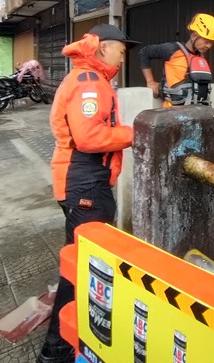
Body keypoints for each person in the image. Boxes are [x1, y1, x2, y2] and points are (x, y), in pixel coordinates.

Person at [38, 24, 139, 363]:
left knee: (83, 260)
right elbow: (89, 137)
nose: (124, 56)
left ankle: (72, 338)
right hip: (84, 181)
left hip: (82, 179)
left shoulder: (90, 79)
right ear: (102, 48)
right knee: (83, 265)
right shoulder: (90, 85)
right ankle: (57, 348)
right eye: (120, 49)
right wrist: (133, 133)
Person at [139, 13, 214, 106]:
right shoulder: (171, 49)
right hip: (172, 112)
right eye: (206, 41)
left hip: (195, 112)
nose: (208, 46)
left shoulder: (200, 58)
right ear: (194, 35)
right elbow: (144, 52)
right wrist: (150, 81)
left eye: (211, 43)